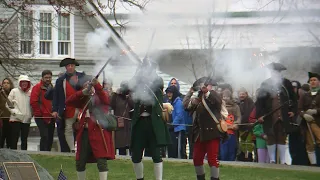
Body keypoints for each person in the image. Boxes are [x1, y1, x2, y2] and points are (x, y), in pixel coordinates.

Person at [66, 77, 115, 180]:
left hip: (98, 132)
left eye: (89, 85)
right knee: (80, 162)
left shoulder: (100, 96)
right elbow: (69, 101)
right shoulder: (83, 98)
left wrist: (97, 85)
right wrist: (83, 92)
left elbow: (105, 98)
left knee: (102, 161)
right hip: (84, 133)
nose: (89, 87)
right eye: (86, 85)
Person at [130, 59, 171, 180]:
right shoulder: (139, 80)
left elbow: (156, 84)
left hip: (153, 123)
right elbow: (130, 84)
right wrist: (138, 71)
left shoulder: (157, 81)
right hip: (140, 123)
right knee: (136, 156)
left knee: (156, 156)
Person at [255, 62, 297, 164]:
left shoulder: (287, 83)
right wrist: (260, 116)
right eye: (274, 71)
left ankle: (282, 161)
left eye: (278, 72)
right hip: (269, 116)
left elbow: (294, 99)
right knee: (271, 137)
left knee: (282, 137)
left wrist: (293, 111)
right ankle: (272, 160)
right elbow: (259, 102)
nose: (276, 73)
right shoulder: (265, 84)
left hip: (284, 115)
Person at [184, 77, 224, 180]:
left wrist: (207, 93)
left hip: (211, 133)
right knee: (197, 159)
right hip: (199, 134)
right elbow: (185, 106)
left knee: (212, 159)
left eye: (206, 86)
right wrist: (190, 92)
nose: (203, 87)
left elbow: (217, 102)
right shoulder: (198, 99)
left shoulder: (214, 95)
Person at [52, 58, 86, 152]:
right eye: (68, 66)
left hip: (81, 107)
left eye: (72, 65)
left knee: (82, 128)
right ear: (66, 67)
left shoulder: (82, 76)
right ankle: (72, 149)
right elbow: (56, 96)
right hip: (68, 108)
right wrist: (55, 110)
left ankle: (81, 147)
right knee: (68, 129)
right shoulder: (60, 80)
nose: (70, 67)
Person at [298, 72, 320, 166]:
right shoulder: (305, 95)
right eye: (311, 80)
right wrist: (304, 115)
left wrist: (316, 111)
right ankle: (313, 165)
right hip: (307, 124)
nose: (312, 82)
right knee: (309, 145)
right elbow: (299, 109)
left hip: (318, 122)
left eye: (314, 80)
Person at [30, 70, 55, 151]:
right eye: (46, 77)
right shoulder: (37, 88)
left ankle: (48, 152)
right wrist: (39, 114)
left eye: (49, 77)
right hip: (40, 116)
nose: (48, 79)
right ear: (42, 78)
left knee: (50, 136)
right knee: (44, 136)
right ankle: (42, 152)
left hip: (51, 116)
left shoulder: (53, 88)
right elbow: (33, 102)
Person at [7, 75, 33, 150]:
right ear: (19, 83)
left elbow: (32, 105)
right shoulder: (14, 91)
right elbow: (8, 104)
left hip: (26, 120)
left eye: (26, 82)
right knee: (14, 139)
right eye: (23, 82)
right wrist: (15, 113)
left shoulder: (30, 93)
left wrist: (31, 115)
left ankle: (25, 155)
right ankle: (13, 154)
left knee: (24, 139)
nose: (24, 84)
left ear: (28, 83)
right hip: (16, 119)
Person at [110, 81, 134, 155]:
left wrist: (129, 97)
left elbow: (134, 105)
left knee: (131, 145)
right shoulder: (117, 97)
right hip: (120, 123)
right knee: (121, 145)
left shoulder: (131, 96)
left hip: (129, 124)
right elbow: (111, 105)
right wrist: (115, 94)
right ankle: (121, 156)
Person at [165, 85, 187, 159]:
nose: (169, 95)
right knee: (172, 148)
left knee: (178, 149)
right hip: (173, 128)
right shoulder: (170, 102)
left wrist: (172, 124)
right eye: (168, 93)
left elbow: (179, 115)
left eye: (170, 93)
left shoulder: (178, 102)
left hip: (179, 129)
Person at [0, 78, 14, 148]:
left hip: (11, 119)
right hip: (2, 119)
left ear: (11, 84)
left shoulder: (13, 93)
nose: (5, 84)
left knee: (10, 140)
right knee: (1, 139)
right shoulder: (0, 93)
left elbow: (12, 105)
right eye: (4, 83)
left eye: (7, 83)